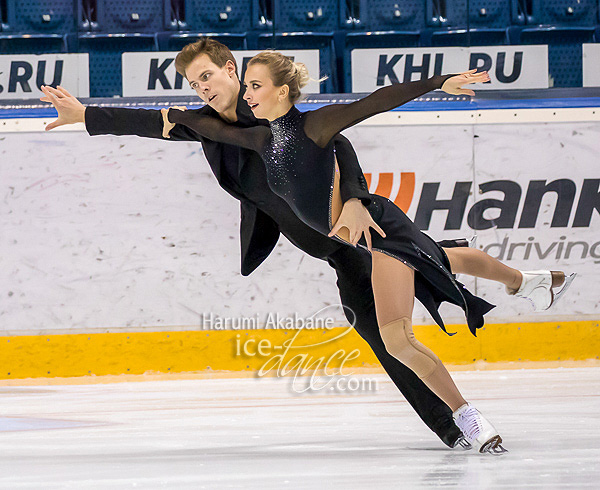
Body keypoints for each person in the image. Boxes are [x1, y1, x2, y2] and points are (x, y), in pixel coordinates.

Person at [40, 39, 475, 450]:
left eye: (207, 76)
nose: (202, 88)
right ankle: (454, 424)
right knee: (390, 324)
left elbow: (337, 140)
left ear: (231, 69)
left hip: (356, 235)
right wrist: (84, 115)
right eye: (194, 84)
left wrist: (358, 199)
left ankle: (458, 419)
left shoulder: (269, 110)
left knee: (416, 298)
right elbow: (154, 121)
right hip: (333, 252)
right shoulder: (208, 128)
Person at [162, 50, 573, 453]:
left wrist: (436, 82)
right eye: (247, 86)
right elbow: (213, 130)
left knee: (396, 339)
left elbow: (376, 101)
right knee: (444, 260)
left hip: (377, 232)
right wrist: (170, 118)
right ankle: (531, 282)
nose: (247, 95)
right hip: (360, 240)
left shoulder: (316, 126)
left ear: (283, 91)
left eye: (255, 86)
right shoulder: (259, 138)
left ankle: (467, 415)